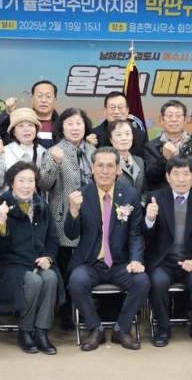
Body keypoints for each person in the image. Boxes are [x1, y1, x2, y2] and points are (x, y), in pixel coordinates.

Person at [64, 147, 150, 351]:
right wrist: (73, 211)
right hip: (90, 262)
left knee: (142, 281)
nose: (105, 171)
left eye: (110, 166)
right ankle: (95, 329)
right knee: (76, 281)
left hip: (120, 263)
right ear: (92, 168)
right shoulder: (81, 195)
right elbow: (71, 235)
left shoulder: (129, 195)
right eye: (100, 165)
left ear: (118, 169)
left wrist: (136, 259)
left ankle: (122, 329)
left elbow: (135, 233)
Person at [143, 156, 192, 347]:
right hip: (162, 261)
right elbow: (145, 235)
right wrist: (149, 219)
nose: (181, 179)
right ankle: (163, 329)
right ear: (168, 177)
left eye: (186, 174)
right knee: (158, 282)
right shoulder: (155, 198)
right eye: (176, 174)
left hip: (191, 260)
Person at [0, 161, 62, 355]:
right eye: (21, 180)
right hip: (10, 265)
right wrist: (1, 221)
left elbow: (52, 239)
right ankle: (25, 331)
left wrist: (48, 257)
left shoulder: (42, 206)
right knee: (33, 281)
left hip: (37, 261)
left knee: (51, 277)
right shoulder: (0, 206)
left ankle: (41, 331)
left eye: (30, 181)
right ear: (11, 182)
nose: (26, 185)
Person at [38, 107, 95, 331]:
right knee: (64, 267)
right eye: (69, 123)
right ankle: (65, 315)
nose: (75, 128)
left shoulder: (93, 151)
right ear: (61, 128)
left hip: (91, 217)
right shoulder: (54, 151)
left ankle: (87, 311)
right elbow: (44, 184)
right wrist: (55, 163)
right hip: (63, 218)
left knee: (88, 264)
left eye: (79, 123)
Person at [144, 100, 192, 192]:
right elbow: (150, 179)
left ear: (185, 120)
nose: (174, 119)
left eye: (178, 115)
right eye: (169, 116)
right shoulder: (151, 146)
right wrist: (164, 159)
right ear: (162, 119)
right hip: (161, 198)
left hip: (190, 198)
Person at [0, 107, 46, 193]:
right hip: (10, 201)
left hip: (37, 201)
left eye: (30, 125)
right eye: (21, 126)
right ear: (13, 132)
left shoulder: (43, 152)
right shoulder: (4, 151)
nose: (26, 129)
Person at [90, 91, 148, 157]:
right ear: (105, 111)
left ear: (127, 110)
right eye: (112, 107)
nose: (116, 112)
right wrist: (89, 146)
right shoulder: (93, 135)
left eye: (120, 107)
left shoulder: (141, 136)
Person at [109, 119, 145, 198]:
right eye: (118, 135)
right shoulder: (107, 162)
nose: (124, 138)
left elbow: (145, 189)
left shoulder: (139, 161)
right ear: (111, 139)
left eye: (127, 134)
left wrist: (142, 203)